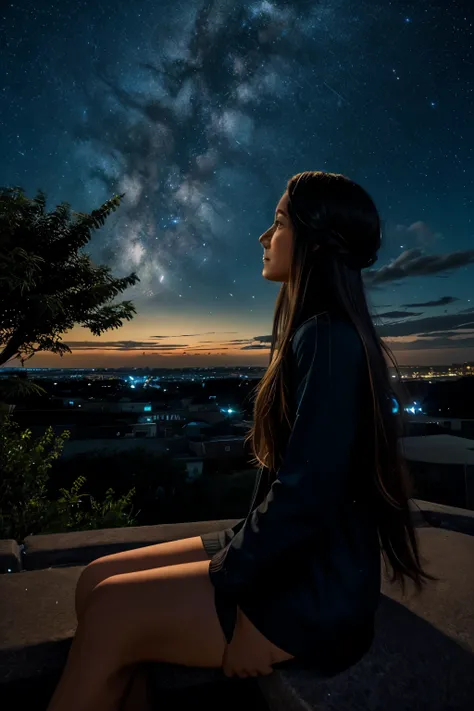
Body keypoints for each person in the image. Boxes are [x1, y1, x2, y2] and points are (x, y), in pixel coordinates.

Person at [46, 171, 437, 711]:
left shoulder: (325, 336)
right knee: (96, 579)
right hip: (301, 559)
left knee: (112, 610)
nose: (263, 236)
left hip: (314, 591)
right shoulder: (317, 330)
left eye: (277, 223)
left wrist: (250, 609)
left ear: (315, 240)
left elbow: (309, 495)